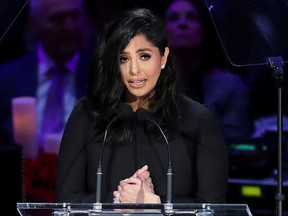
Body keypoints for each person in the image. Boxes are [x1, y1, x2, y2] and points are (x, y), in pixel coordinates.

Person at [56, 8, 228, 204]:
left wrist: (156, 206)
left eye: (144, 56)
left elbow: (214, 208)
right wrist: (119, 202)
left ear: (163, 57)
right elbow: (66, 202)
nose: (134, 70)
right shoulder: (88, 114)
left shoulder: (198, 120)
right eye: (124, 58)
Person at [0, 0, 91, 148]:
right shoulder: (5, 79)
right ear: (35, 25)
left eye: (75, 16)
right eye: (58, 19)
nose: (70, 26)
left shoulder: (106, 75)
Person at [164, 0, 251, 145]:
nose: (182, 23)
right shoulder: (146, 85)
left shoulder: (229, 86)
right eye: (174, 18)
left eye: (191, 17)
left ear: (203, 28)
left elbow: (236, 144)